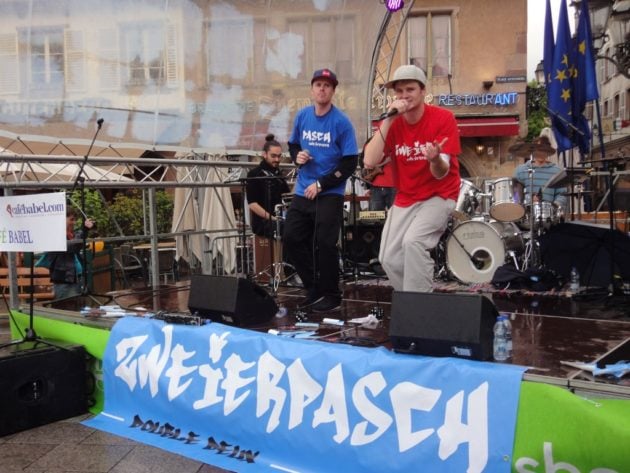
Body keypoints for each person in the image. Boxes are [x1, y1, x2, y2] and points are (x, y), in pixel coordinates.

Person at [363, 64, 461, 292]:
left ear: (423, 91)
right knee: (388, 258)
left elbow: (442, 171)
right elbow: (369, 161)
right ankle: (414, 300)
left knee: (413, 242)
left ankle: (419, 308)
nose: (404, 95)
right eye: (399, 91)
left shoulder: (443, 118)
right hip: (407, 196)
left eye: (410, 89)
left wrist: (435, 159)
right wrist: (387, 120)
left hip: (440, 194)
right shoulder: (393, 123)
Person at [284, 68, 358, 312]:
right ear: (312, 89)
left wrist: (322, 183)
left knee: (324, 244)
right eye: (318, 84)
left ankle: (332, 294)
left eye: (327, 85)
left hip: (329, 192)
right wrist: (298, 156)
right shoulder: (303, 116)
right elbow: (293, 144)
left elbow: (349, 162)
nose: (322, 89)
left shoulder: (341, 122)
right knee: (291, 238)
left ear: (333, 91)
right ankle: (313, 286)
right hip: (303, 188)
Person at [36, 207, 95, 299]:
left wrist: (85, 230)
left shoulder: (69, 234)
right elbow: (71, 247)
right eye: (71, 219)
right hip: (64, 279)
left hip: (73, 277)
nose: (74, 222)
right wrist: (84, 230)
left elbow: (75, 246)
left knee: (74, 305)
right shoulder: (55, 234)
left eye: (74, 220)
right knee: (65, 306)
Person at [512, 134, 567, 226]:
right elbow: (515, 196)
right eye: (538, 150)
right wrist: (527, 200)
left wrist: (554, 206)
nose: (541, 153)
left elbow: (562, 194)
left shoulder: (557, 171)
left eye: (544, 150)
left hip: (550, 219)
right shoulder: (520, 171)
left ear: (548, 152)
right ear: (533, 151)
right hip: (526, 218)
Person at [246, 133, 291, 239]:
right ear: (264, 154)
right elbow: (252, 204)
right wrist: (273, 219)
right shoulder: (254, 174)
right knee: (289, 229)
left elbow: (287, 197)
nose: (277, 159)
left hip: (279, 220)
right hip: (263, 223)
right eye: (273, 156)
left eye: (279, 156)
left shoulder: (278, 174)